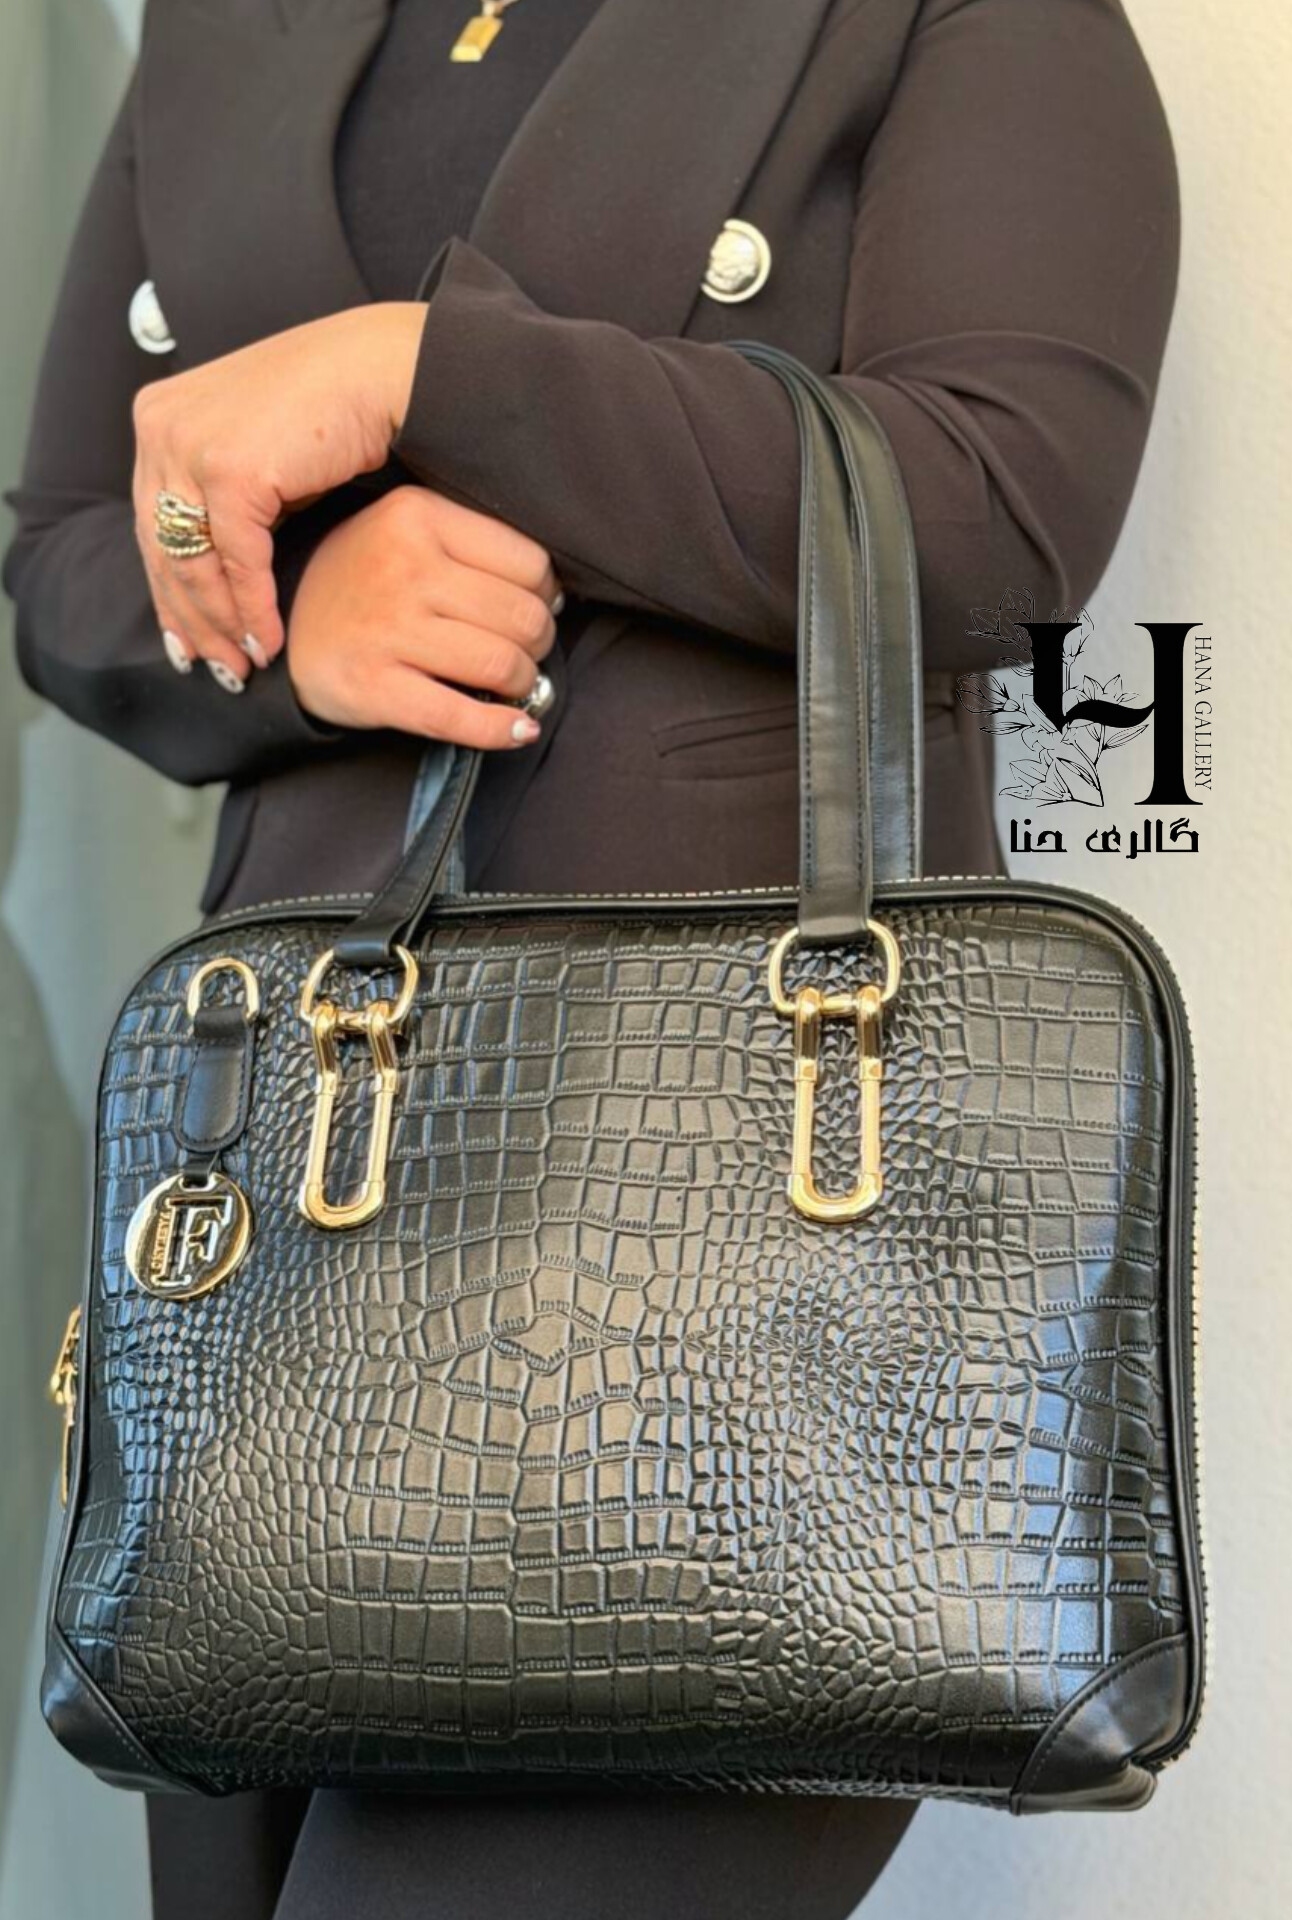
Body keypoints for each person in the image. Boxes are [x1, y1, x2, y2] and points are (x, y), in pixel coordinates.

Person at [4, 3, 1180, 1915]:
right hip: (284, 1243)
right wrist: (301, 629)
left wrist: (426, 378)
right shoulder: (224, 24)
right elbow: (65, 551)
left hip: (733, 1288)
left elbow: (1001, 500)